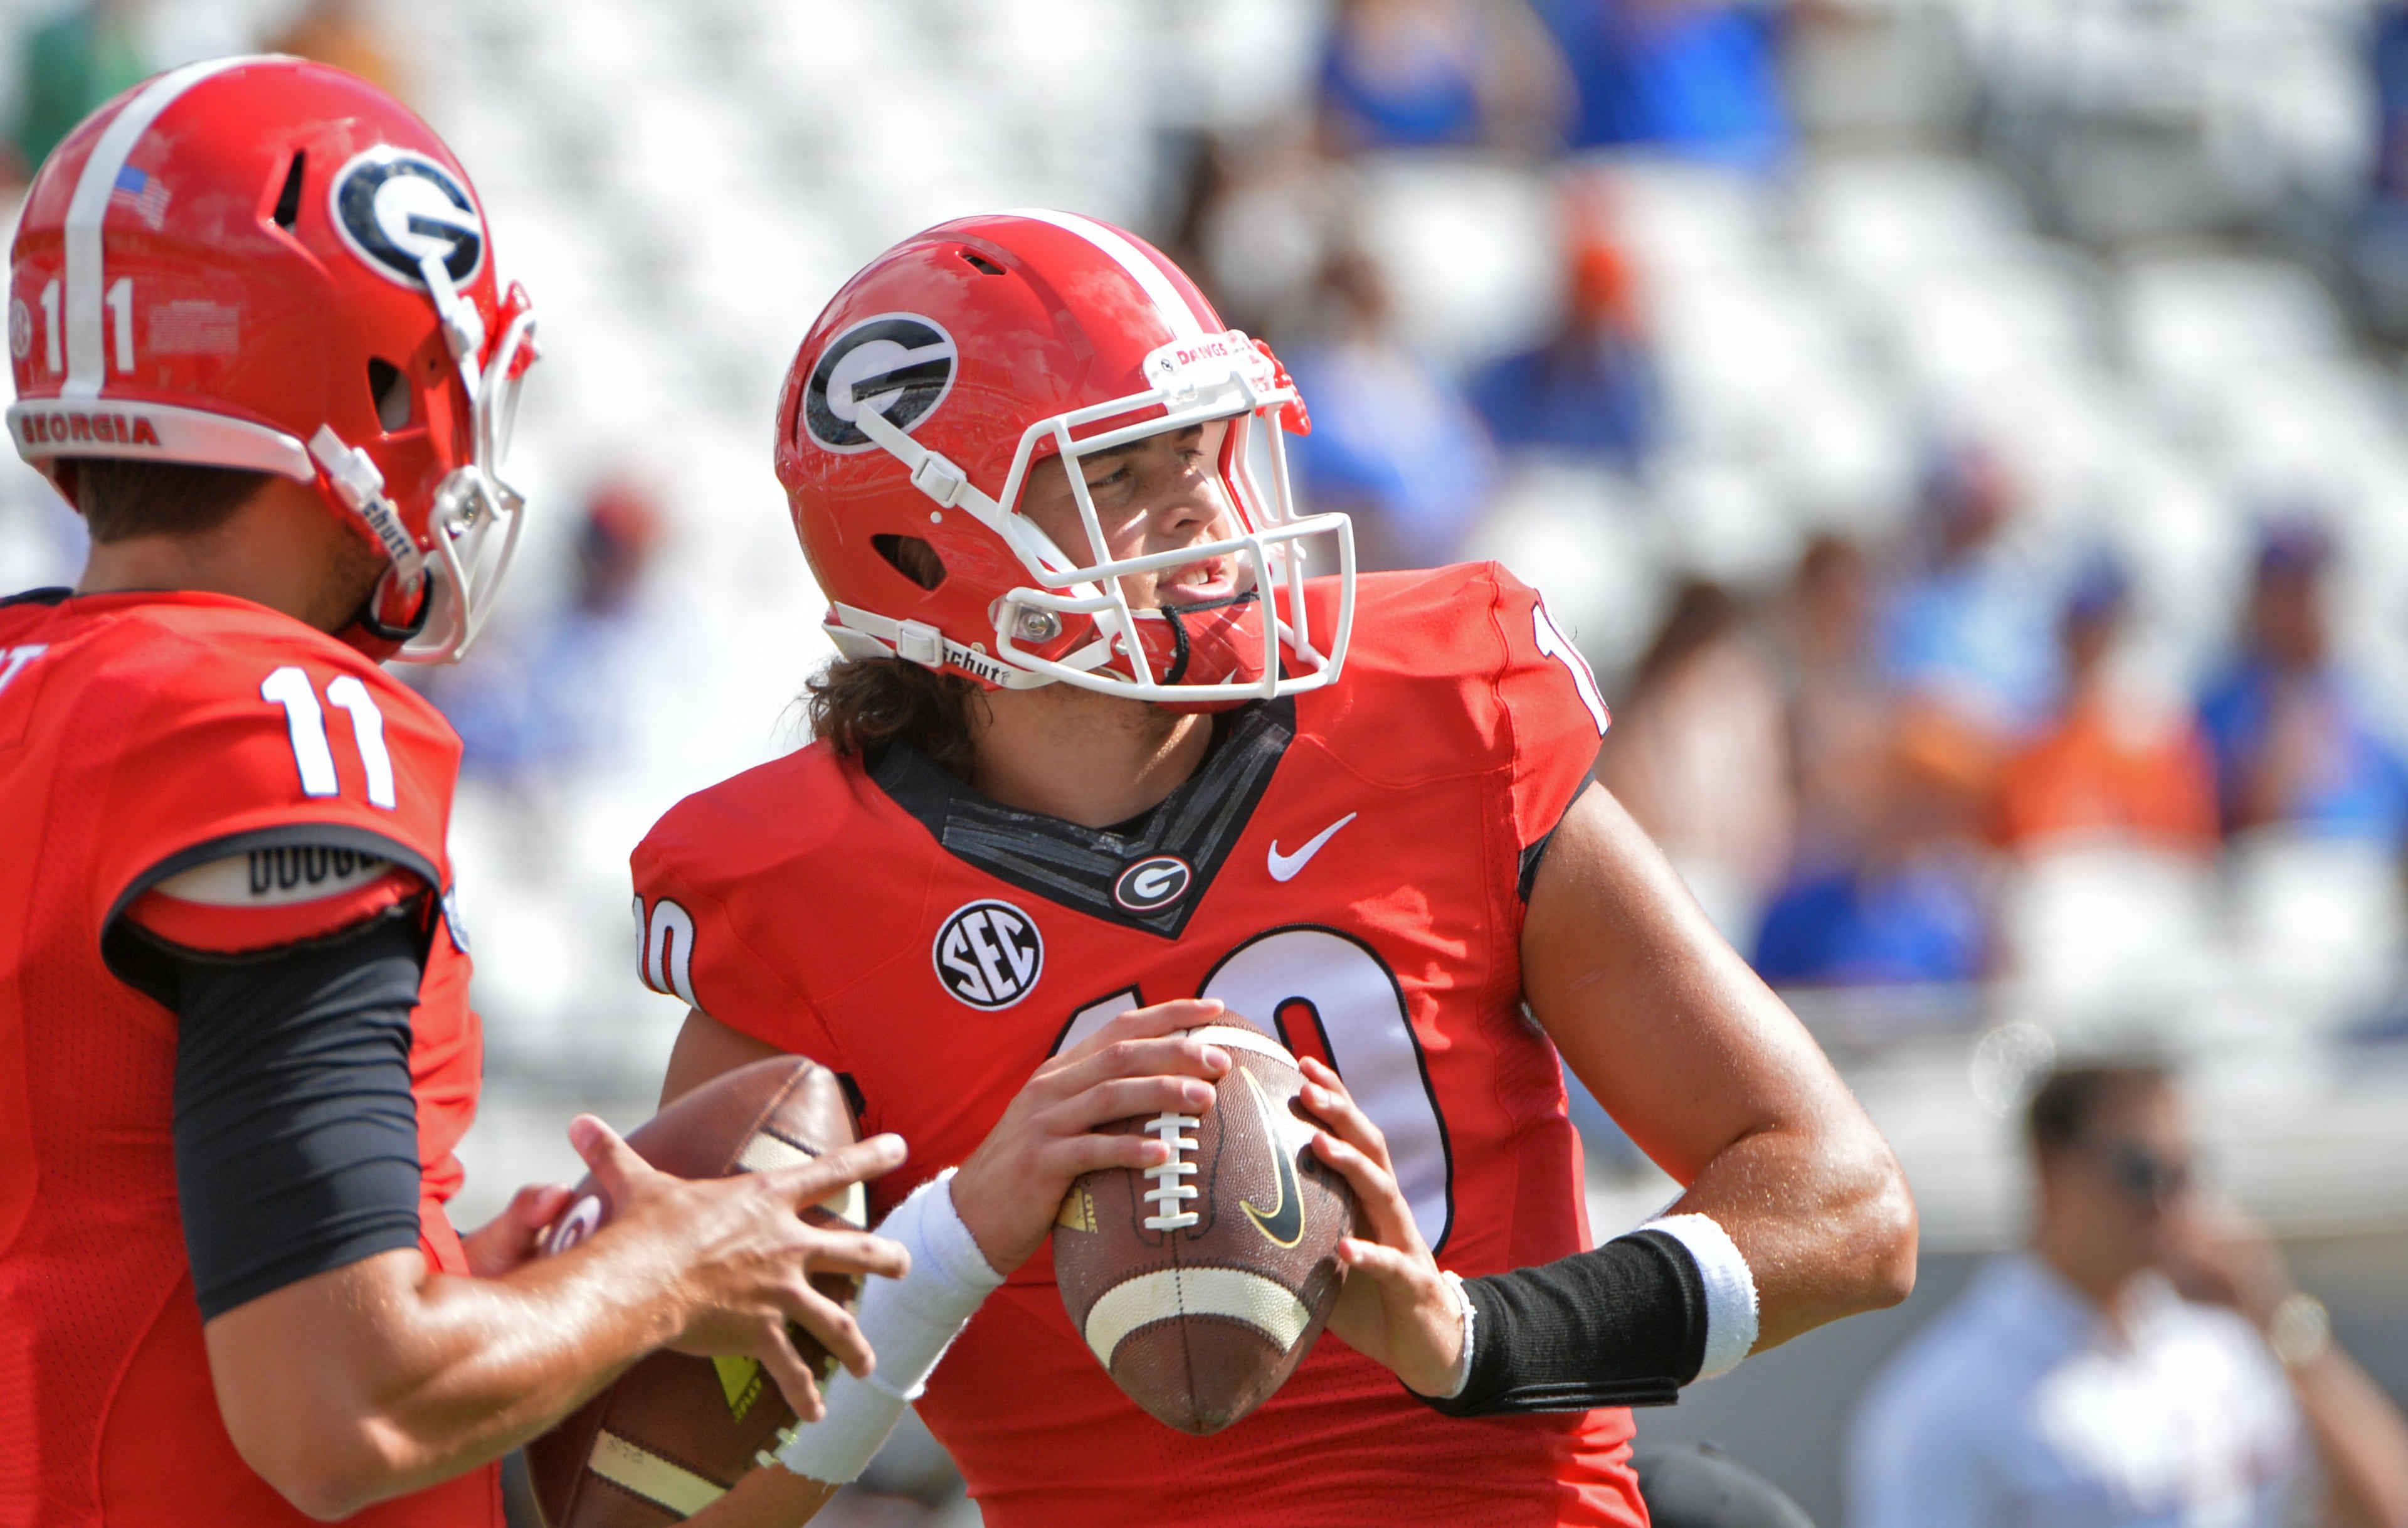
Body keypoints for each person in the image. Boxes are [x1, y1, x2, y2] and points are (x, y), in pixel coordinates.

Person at [632, 210, 1915, 1527]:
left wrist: (1482, 1338)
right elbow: (657, 1507)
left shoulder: (1436, 718)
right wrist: (954, 1243)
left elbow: (1848, 1208)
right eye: (1119, 477)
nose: (1198, 503)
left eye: (1199, 448)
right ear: (921, 553)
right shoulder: (801, 899)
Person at [0, 60, 906, 1527]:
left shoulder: (44, 693)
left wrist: (509, 1270)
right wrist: (672, 1270)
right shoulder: (259, 729)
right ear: (377, 382)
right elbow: (341, 1406)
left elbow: (108, 1242)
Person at [1847, 1063, 2408, 1528]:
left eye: (2185, 1172)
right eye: (2141, 1171)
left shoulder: (2225, 1347)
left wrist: (2272, 1310)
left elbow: (2386, 1508)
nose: (2168, 1201)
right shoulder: (1946, 1400)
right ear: (2051, 1167)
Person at [2197, 523, 2408, 850]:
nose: (2298, 607)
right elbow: (2218, 824)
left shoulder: (2365, 701)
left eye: (2307, 589)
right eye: (2283, 591)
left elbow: (2394, 801)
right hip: (2269, 879)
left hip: (2367, 874)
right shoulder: (2221, 708)